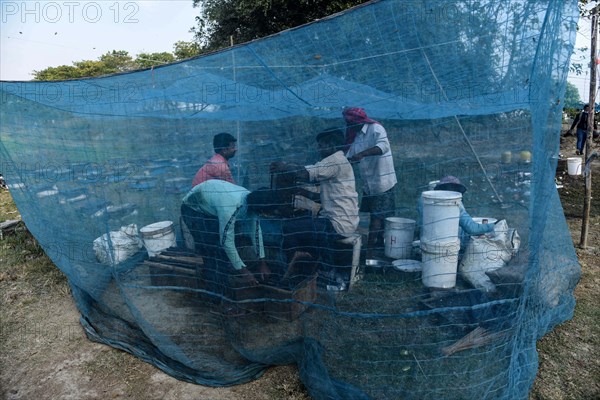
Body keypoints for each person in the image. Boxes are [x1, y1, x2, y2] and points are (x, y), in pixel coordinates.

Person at [270, 128, 359, 273]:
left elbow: (305, 173)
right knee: (304, 222)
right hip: (344, 220)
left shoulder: (334, 161)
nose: (319, 149)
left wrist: (284, 167)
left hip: (337, 224)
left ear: (333, 145)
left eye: (321, 145)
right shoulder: (340, 160)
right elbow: (327, 196)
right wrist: (303, 192)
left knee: (288, 228)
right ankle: (311, 264)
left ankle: (299, 268)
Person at [181, 179, 274, 288]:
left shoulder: (253, 201)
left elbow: (256, 233)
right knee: (212, 251)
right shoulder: (231, 207)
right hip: (193, 208)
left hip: (211, 204)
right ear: (262, 210)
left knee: (221, 253)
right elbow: (226, 242)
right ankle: (215, 294)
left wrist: (262, 263)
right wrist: (244, 272)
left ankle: (221, 280)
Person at [342, 107, 398, 257]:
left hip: (382, 180)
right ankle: (379, 244)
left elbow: (383, 146)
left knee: (377, 217)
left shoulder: (376, 129)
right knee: (378, 215)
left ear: (358, 121)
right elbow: (349, 154)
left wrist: (363, 154)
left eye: (350, 123)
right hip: (369, 182)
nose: (348, 126)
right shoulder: (355, 135)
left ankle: (370, 252)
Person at [417, 176, 495, 248]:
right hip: (450, 247)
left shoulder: (424, 200)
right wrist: (494, 225)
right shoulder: (455, 203)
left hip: (426, 245)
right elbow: (472, 229)